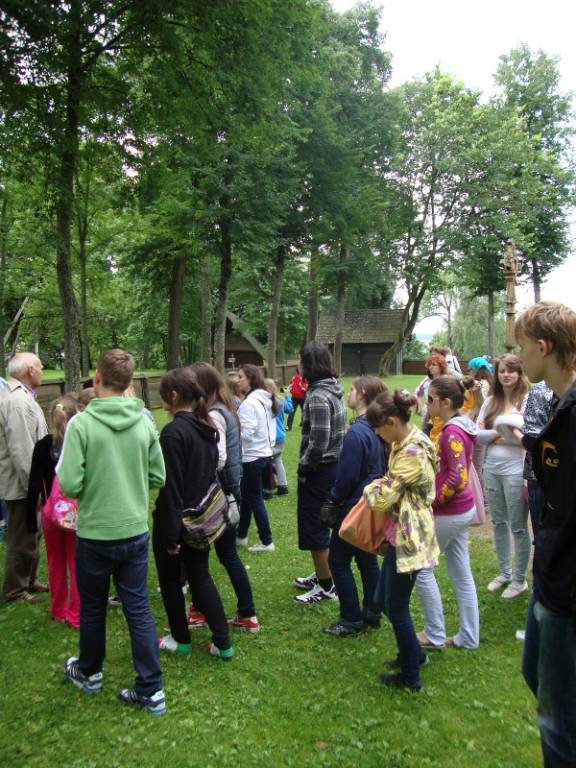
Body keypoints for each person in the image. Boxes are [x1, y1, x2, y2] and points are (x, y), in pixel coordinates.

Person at [58, 348, 167, 715]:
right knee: (138, 607)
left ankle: (89, 672)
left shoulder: (81, 425)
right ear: (129, 382)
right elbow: (158, 475)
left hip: (95, 534)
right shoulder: (144, 422)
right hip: (134, 530)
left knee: (92, 608)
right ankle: (151, 689)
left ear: (98, 378)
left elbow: (69, 483)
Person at [515, 301, 576, 768]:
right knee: (534, 671)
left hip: (567, 585)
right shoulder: (559, 407)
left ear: (543, 346)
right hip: (551, 572)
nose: (518, 358)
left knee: (557, 722)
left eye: (521, 347)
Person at [153, 367, 233, 659]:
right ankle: (223, 643)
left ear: (173, 396)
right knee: (200, 577)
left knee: (171, 581)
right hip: (201, 520)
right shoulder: (205, 427)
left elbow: (171, 488)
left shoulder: (174, 433)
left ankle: (180, 639)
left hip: (177, 521)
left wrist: (170, 535)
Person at [364, 389, 439, 691]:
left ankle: (411, 676)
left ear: (392, 422)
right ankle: (414, 653)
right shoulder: (403, 441)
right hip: (400, 533)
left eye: (378, 428)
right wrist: (382, 486)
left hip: (410, 537)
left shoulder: (411, 452)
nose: (377, 434)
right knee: (383, 600)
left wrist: (371, 488)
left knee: (395, 607)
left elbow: (382, 498)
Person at [187, 362, 259, 633]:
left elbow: (219, 458)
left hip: (218, 494)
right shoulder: (223, 408)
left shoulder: (215, 414)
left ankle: (241, 613)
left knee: (213, 555)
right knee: (217, 555)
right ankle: (234, 611)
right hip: (225, 492)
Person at [415, 376, 480, 650]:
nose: (427, 403)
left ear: (444, 403)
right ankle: (469, 637)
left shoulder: (452, 432)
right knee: (461, 572)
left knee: (421, 567)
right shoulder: (461, 425)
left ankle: (434, 633)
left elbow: (457, 478)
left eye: (430, 399)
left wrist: (432, 503)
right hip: (462, 510)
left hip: (451, 512)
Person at [322, 376, 386, 636]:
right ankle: (372, 611)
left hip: (355, 505)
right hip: (371, 502)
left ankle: (350, 620)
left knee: (338, 561)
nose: (347, 393)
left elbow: (347, 477)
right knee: (366, 558)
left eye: (351, 390)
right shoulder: (377, 427)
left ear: (362, 394)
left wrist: (333, 500)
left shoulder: (358, 433)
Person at [293, 342, 345, 604]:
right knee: (322, 524)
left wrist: (304, 468)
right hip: (332, 468)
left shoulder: (317, 396)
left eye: (300, 359)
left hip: (320, 470)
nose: (297, 364)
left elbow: (319, 442)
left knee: (315, 529)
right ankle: (323, 573)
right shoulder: (333, 389)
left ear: (309, 364)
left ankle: (326, 587)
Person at [477, 353, 530, 599]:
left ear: (519, 373)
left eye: (511, 370)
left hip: (516, 471)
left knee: (518, 526)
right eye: (502, 371)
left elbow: (527, 439)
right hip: (491, 469)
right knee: (499, 522)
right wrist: (504, 433)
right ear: (496, 374)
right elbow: (477, 435)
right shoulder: (490, 402)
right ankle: (505, 573)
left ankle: (519, 580)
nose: (506, 375)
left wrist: (496, 434)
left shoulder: (527, 401)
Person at [27, 396, 80, 628]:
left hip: (51, 514)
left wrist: (31, 520)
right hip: (76, 513)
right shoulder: (79, 444)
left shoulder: (42, 446)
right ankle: (76, 614)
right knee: (77, 564)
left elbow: (34, 485)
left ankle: (58, 609)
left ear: (51, 418)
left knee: (55, 562)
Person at [0, 352, 48, 603]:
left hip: (27, 482)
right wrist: (34, 487)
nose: (42, 369)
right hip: (22, 484)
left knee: (33, 533)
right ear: (30, 370)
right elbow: (22, 450)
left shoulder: (22, 396)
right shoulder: (17, 401)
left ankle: (29, 580)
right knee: (22, 536)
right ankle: (15, 590)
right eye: (40, 366)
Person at [235, 364, 278, 553]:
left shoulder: (250, 403)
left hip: (252, 457)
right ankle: (241, 536)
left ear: (250, 379)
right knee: (248, 497)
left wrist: (231, 432)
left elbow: (248, 433)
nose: (236, 380)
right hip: (264, 454)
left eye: (240, 376)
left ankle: (267, 541)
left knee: (255, 499)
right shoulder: (264, 399)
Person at [521, 382, 554, 534]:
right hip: (541, 476)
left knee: (545, 536)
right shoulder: (541, 390)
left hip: (544, 477)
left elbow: (531, 440)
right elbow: (532, 439)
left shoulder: (541, 390)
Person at [265, 378, 293, 497]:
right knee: (277, 460)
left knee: (265, 462)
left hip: (270, 437)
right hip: (281, 436)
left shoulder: (264, 403)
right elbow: (290, 409)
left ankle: (267, 489)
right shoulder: (280, 400)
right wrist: (288, 396)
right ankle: (282, 486)